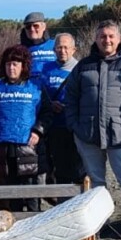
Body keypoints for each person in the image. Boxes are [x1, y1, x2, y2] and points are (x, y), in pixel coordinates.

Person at [64, 21, 121, 240]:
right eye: (102, 36)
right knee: (96, 181)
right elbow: (70, 98)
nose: (107, 40)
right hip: (88, 134)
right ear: (96, 39)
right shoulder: (83, 66)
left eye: (111, 36)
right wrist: (74, 125)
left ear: (119, 39)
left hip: (120, 134)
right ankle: (99, 223)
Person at [0, 45, 51, 211]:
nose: (11, 68)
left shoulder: (35, 87)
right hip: (0, 147)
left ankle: (33, 220)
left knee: (30, 190)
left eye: (15, 64)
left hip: (27, 146)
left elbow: (47, 112)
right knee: (6, 191)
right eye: (8, 64)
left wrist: (38, 131)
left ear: (23, 66)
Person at [40, 33, 83, 185]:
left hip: (74, 127)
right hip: (53, 127)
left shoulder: (81, 69)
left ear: (73, 49)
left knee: (78, 169)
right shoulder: (45, 69)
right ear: (54, 49)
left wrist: (69, 107)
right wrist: (50, 104)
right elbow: (39, 93)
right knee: (59, 169)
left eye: (66, 47)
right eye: (59, 47)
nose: (62, 51)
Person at [21, 12, 57, 78]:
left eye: (35, 26)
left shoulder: (56, 45)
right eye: (28, 27)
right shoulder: (20, 49)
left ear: (44, 27)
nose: (32, 29)